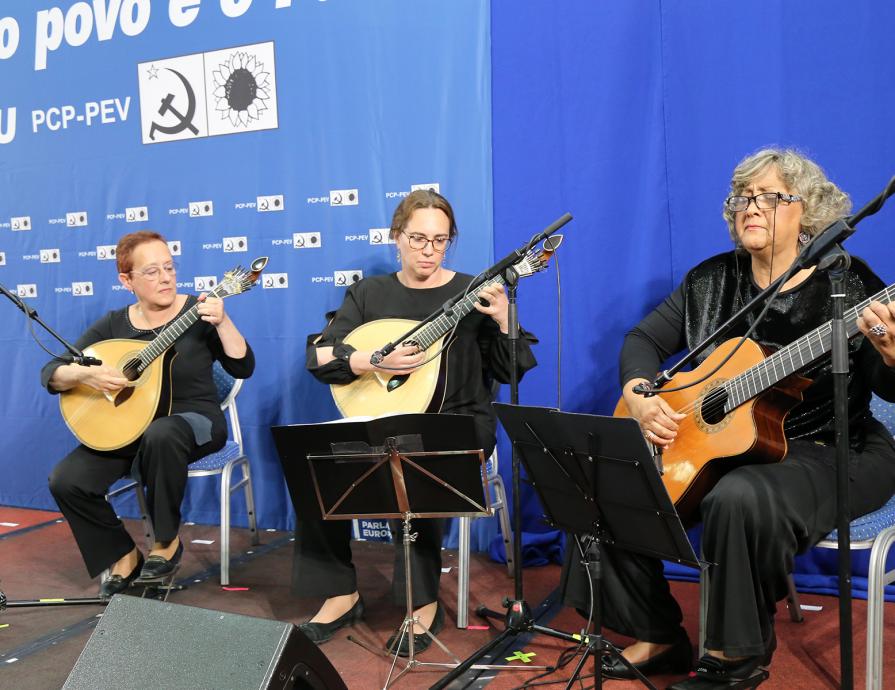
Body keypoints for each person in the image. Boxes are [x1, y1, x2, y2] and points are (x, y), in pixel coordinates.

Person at [561, 148, 895, 685]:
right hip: (729, 450)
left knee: (738, 498)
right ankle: (659, 635)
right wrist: (642, 394)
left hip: (835, 446)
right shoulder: (711, 280)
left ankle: (734, 656)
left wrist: (893, 356)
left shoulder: (847, 285)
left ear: (807, 212)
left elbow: (887, 386)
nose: (751, 207)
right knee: (605, 485)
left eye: (770, 197)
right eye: (744, 197)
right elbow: (644, 339)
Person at [297, 189, 537, 655]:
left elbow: (512, 372)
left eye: (440, 240)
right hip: (383, 418)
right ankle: (340, 593)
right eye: (418, 238)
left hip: (460, 422)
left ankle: (423, 602)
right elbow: (320, 355)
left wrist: (506, 318)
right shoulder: (369, 293)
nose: (429, 250)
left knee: (413, 454)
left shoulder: (473, 291)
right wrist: (371, 361)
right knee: (315, 462)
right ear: (396, 237)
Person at [44, 231, 254, 597]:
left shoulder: (200, 310)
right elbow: (54, 373)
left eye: (169, 268)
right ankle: (124, 556)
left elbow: (243, 366)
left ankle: (166, 545)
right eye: (153, 271)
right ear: (127, 281)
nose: (166, 278)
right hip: (131, 428)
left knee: (163, 433)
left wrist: (222, 322)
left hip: (195, 423)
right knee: (67, 479)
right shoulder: (114, 325)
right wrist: (87, 373)